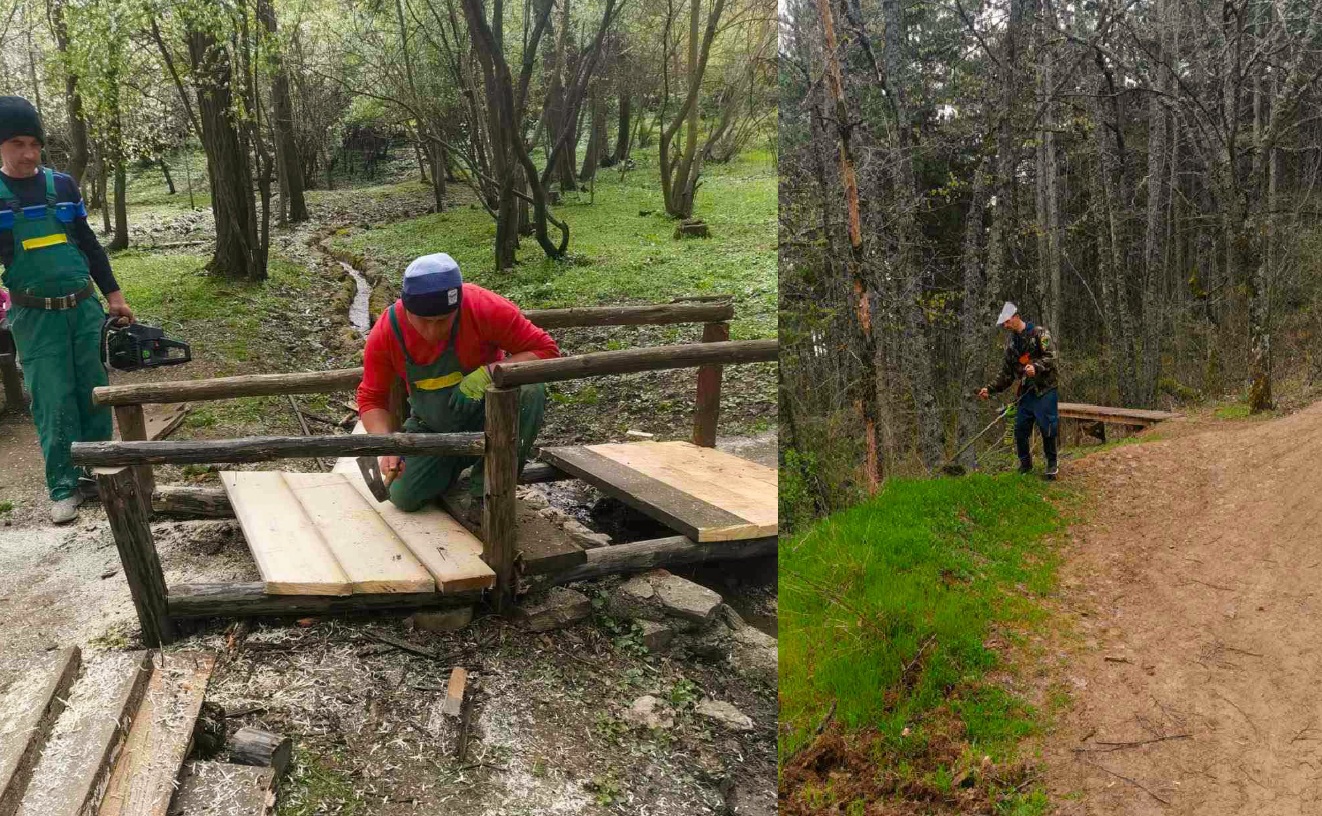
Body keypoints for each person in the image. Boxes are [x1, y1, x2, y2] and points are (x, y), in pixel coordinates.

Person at [0, 96, 135, 524]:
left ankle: (98, 474)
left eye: (35, 144)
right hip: (33, 316)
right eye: (17, 143)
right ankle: (63, 486)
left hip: (83, 309)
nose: (28, 153)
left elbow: (89, 244)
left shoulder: (63, 187)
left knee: (93, 391)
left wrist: (113, 295)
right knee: (52, 398)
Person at [357, 253, 559, 519]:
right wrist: (386, 444)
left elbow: (546, 351)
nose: (433, 331)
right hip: (433, 427)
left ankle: (485, 491)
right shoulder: (386, 332)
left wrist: (489, 373)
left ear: (457, 307)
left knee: (531, 389)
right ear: (406, 308)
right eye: (423, 321)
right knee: (404, 496)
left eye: (442, 320)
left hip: (490, 421)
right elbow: (372, 398)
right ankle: (455, 463)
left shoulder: (483, 307)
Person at [977, 302, 1059, 479]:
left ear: (1016, 317)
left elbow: (1052, 357)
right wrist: (990, 389)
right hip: (1026, 392)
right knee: (1020, 429)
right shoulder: (1012, 345)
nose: (1006, 326)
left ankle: (1051, 465)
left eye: (1007, 322)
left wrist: (1036, 367)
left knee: (1048, 428)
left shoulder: (1040, 333)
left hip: (1045, 389)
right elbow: (1006, 374)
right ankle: (1025, 465)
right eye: (1004, 324)